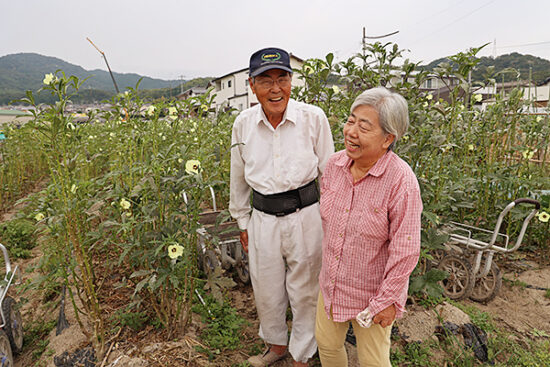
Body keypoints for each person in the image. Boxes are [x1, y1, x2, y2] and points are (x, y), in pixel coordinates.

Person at [229, 47, 334, 367]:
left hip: (306, 215)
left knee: (305, 290)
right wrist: (242, 221)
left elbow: (329, 174)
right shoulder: (243, 123)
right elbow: (237, 175)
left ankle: (302, 354)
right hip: (262, 219)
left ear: (291, 81)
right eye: (266, 81)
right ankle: (275, 345)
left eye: (282, 79)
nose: (276, 89)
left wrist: (330, 222)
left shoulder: (313, 118)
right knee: (266, 288)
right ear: (251, 85)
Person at [315, 87, 422, 366]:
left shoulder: (401, 181)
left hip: (373, 294)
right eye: (351, 121)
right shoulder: (335, 166)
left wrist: (388, 300)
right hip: (332, 284)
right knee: (327, 347)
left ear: (388, 138)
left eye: (364, 126)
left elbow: (406, 249)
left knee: (373, 361)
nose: (351, 132)